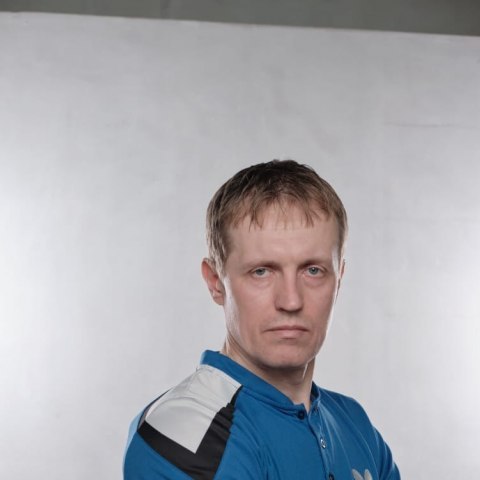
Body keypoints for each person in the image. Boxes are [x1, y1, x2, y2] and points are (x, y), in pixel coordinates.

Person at [123, 160, 400, 480]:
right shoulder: (184, 432)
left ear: (338, 281)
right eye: (261, 271)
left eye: (313, 270)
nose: (291, 301)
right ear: (215, 282)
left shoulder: (355, 425)